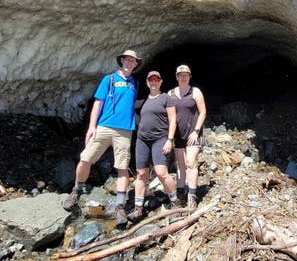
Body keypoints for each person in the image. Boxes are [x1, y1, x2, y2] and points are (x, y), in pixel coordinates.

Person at [63, 49, 142, 227]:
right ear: (122, 61)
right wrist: (92, 127)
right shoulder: (110, 79)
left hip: (125, 131)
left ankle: (120, 206)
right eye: (127, 60)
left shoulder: (135, 84)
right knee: (85, 159)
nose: (129, 62)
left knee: (122, 168)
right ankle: (77, 190)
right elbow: (98, 103)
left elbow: (130, 104)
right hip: (104, 127)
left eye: (133, 60)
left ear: (136, 64)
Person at [127, 70, 182, 222]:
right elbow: (128, 108)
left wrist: (169, 140)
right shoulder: (142, 101)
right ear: (147, 82)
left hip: (160, 139)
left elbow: (173, 120)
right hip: (142, 140)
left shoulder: (166, 98)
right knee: (141, 174)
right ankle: (138, 208)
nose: (154, 81)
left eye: (156, 79)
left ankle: (175, 201)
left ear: (161, 81)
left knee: (161, 172)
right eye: (151, 79)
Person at [168, 65, 206, 210]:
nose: (183, 77)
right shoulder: (170, 93)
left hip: (192, 133)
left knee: (191, 163)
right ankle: (181, 192)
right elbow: (167, 115)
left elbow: (202, 112)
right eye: (180, 75)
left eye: (186, 75)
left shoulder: (195, 92)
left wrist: (196, 131)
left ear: (189, 77)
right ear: (177, 77)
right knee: (181, 165)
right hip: (178, 135)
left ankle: (192, 195)